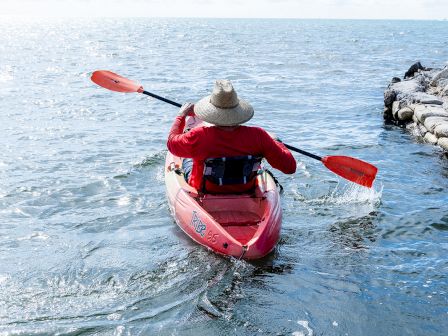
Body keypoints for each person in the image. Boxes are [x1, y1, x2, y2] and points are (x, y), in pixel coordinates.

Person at [167, 79, 296, 193]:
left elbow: (172, 144)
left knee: (187, 159)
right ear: (237, 111)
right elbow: (290, 167)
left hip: (204, 190)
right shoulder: (259, 136)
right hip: (245, 189)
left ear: (213, 112)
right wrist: (274, 141)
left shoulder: (199, 136)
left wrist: (181, 116)